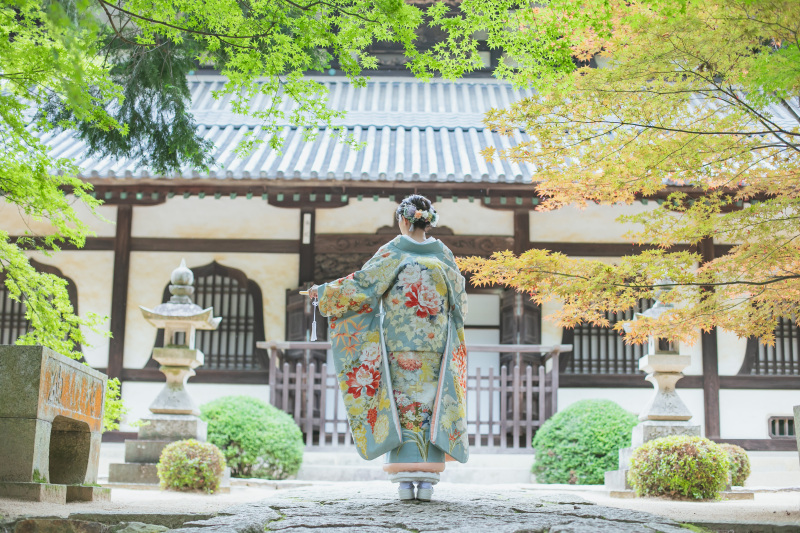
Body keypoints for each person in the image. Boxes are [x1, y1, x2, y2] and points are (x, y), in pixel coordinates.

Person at [306, 194, 469, 502]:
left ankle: (404, 482)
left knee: (403, 409)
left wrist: (324, 293)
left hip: (398, 347)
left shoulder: (393, 251)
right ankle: (428, 480)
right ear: (426, 220)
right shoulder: (444, 254)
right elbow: (459, 303)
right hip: (437, 348)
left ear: (403, 220)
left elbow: (363, 286)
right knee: (429, 409)